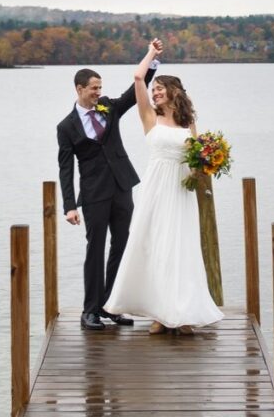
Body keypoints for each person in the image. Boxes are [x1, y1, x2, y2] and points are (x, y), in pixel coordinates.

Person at [103, 40, 223, 334]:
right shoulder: (149, 116)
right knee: (155, 246)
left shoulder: (188, 123)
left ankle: (182, 314)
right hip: (156, 189)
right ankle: (159, 314)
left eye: (160, 89)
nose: (155, 92)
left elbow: (196, 159)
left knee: (181, 248)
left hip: (181, 190)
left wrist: (207, 163)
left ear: (174, 92)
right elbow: (137, 78)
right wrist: (151, 54)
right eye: (153, 89)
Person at [57, 43, 160, 331]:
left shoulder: (109, 107)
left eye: (100, 87)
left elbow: (133, 93)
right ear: (79, 89)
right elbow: (65, 169)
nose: (98, 92)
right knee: (96, 248)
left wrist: (151, 60)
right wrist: (69, 206)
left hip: (121, 186)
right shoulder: (66, 127)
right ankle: (89, 310)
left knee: (122, 245)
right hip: (93, 195)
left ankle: (111, 306)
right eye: (93, 88)